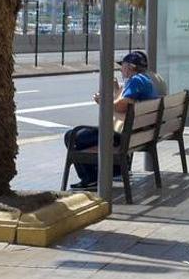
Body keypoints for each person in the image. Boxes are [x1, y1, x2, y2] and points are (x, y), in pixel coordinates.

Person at [63, 50, 160, 190]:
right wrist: (116, 91)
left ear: (130, 67)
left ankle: (90, 178)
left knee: (72, 136)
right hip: (137, 135)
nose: (121, 69)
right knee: (82, 137)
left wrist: (102, 101)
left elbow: (121, 106)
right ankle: (114, 170)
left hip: (123, 136)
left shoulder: (135, 80)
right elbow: (127, 104)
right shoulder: (146, 79)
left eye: (123, 66)